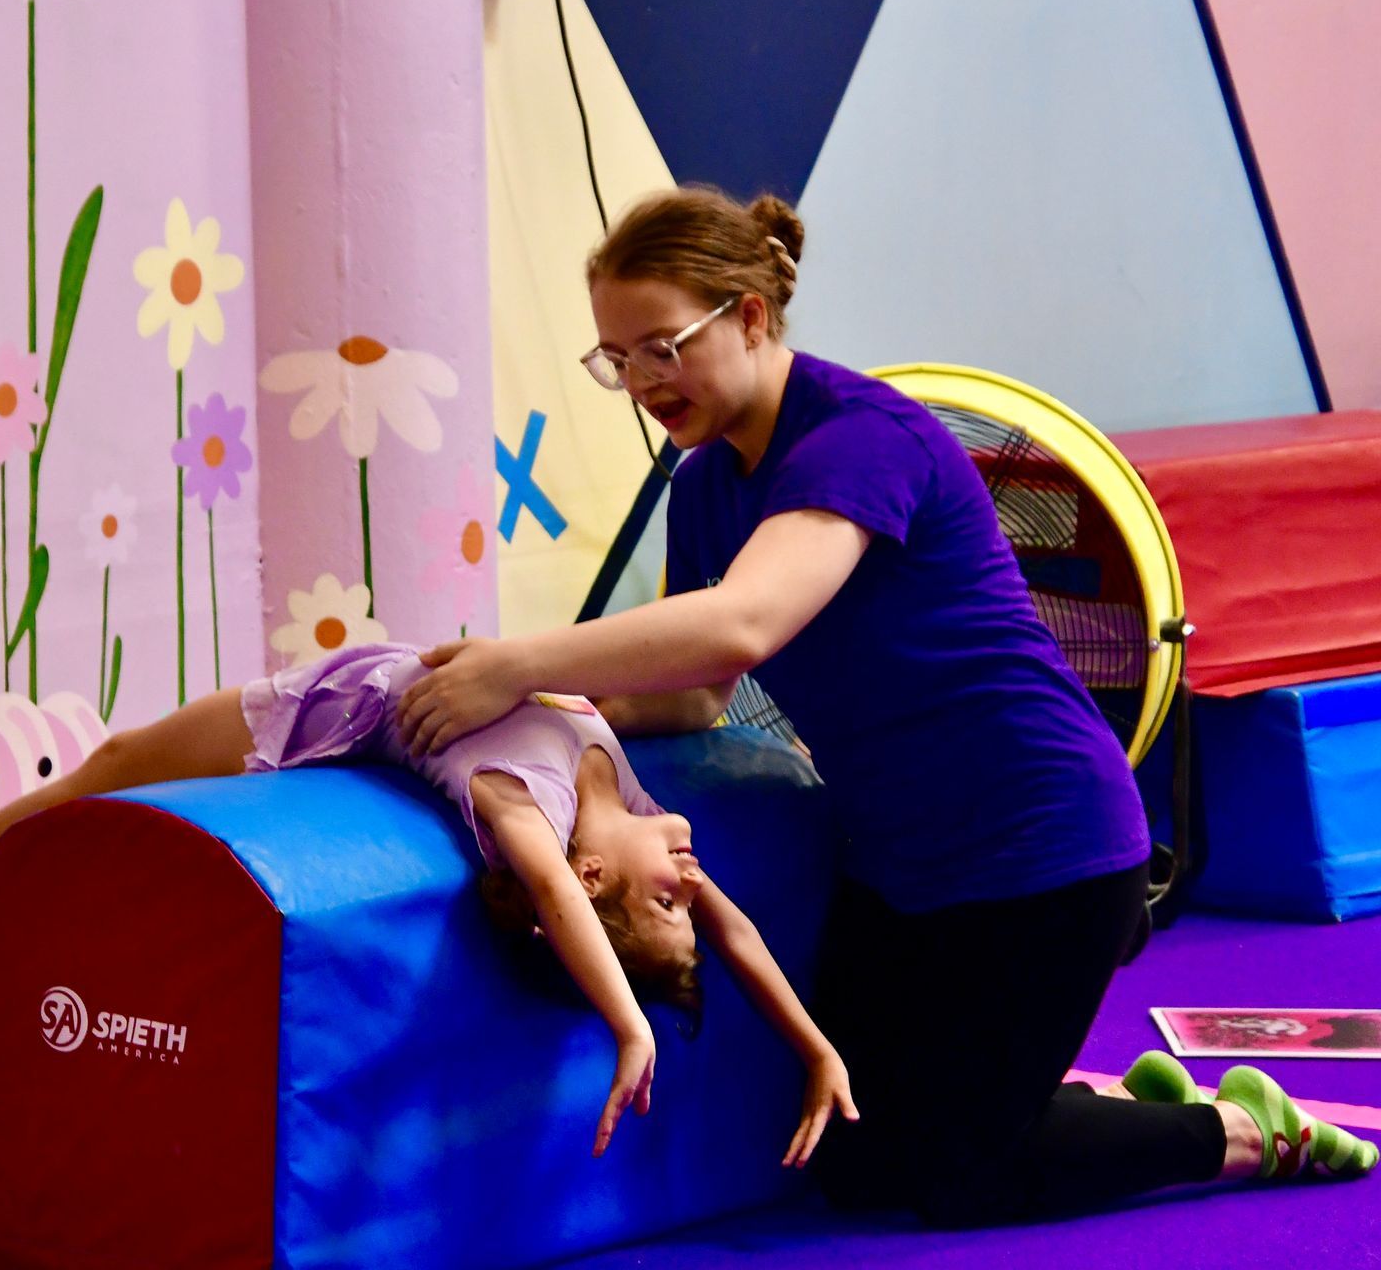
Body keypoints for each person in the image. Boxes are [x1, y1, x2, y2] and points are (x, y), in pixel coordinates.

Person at [394, 186, 1376, 1223]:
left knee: (949, 1179)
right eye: (616, 357)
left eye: (663, 346)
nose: (642, 381)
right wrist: (534, 715)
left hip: (1046, 849)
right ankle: (1095, 1093)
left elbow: (743, 624)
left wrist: (513, 660)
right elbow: (693, 691)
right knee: (852, 1150)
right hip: (900, 866)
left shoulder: (860, 439)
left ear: (751, 317)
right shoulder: (708, 483)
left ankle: (1243, 1128)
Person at [0, 641, 857, 1162]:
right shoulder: (631, 802)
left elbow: (551, 892)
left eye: (667, 902)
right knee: (111, 762)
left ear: (595, 881)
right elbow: (734, 923)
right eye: (685, 892)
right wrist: (812, 1043)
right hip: (409, 664)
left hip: (320, 709)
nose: (691, 875)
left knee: (118, 766)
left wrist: (628, 1026)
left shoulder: (525, 808)